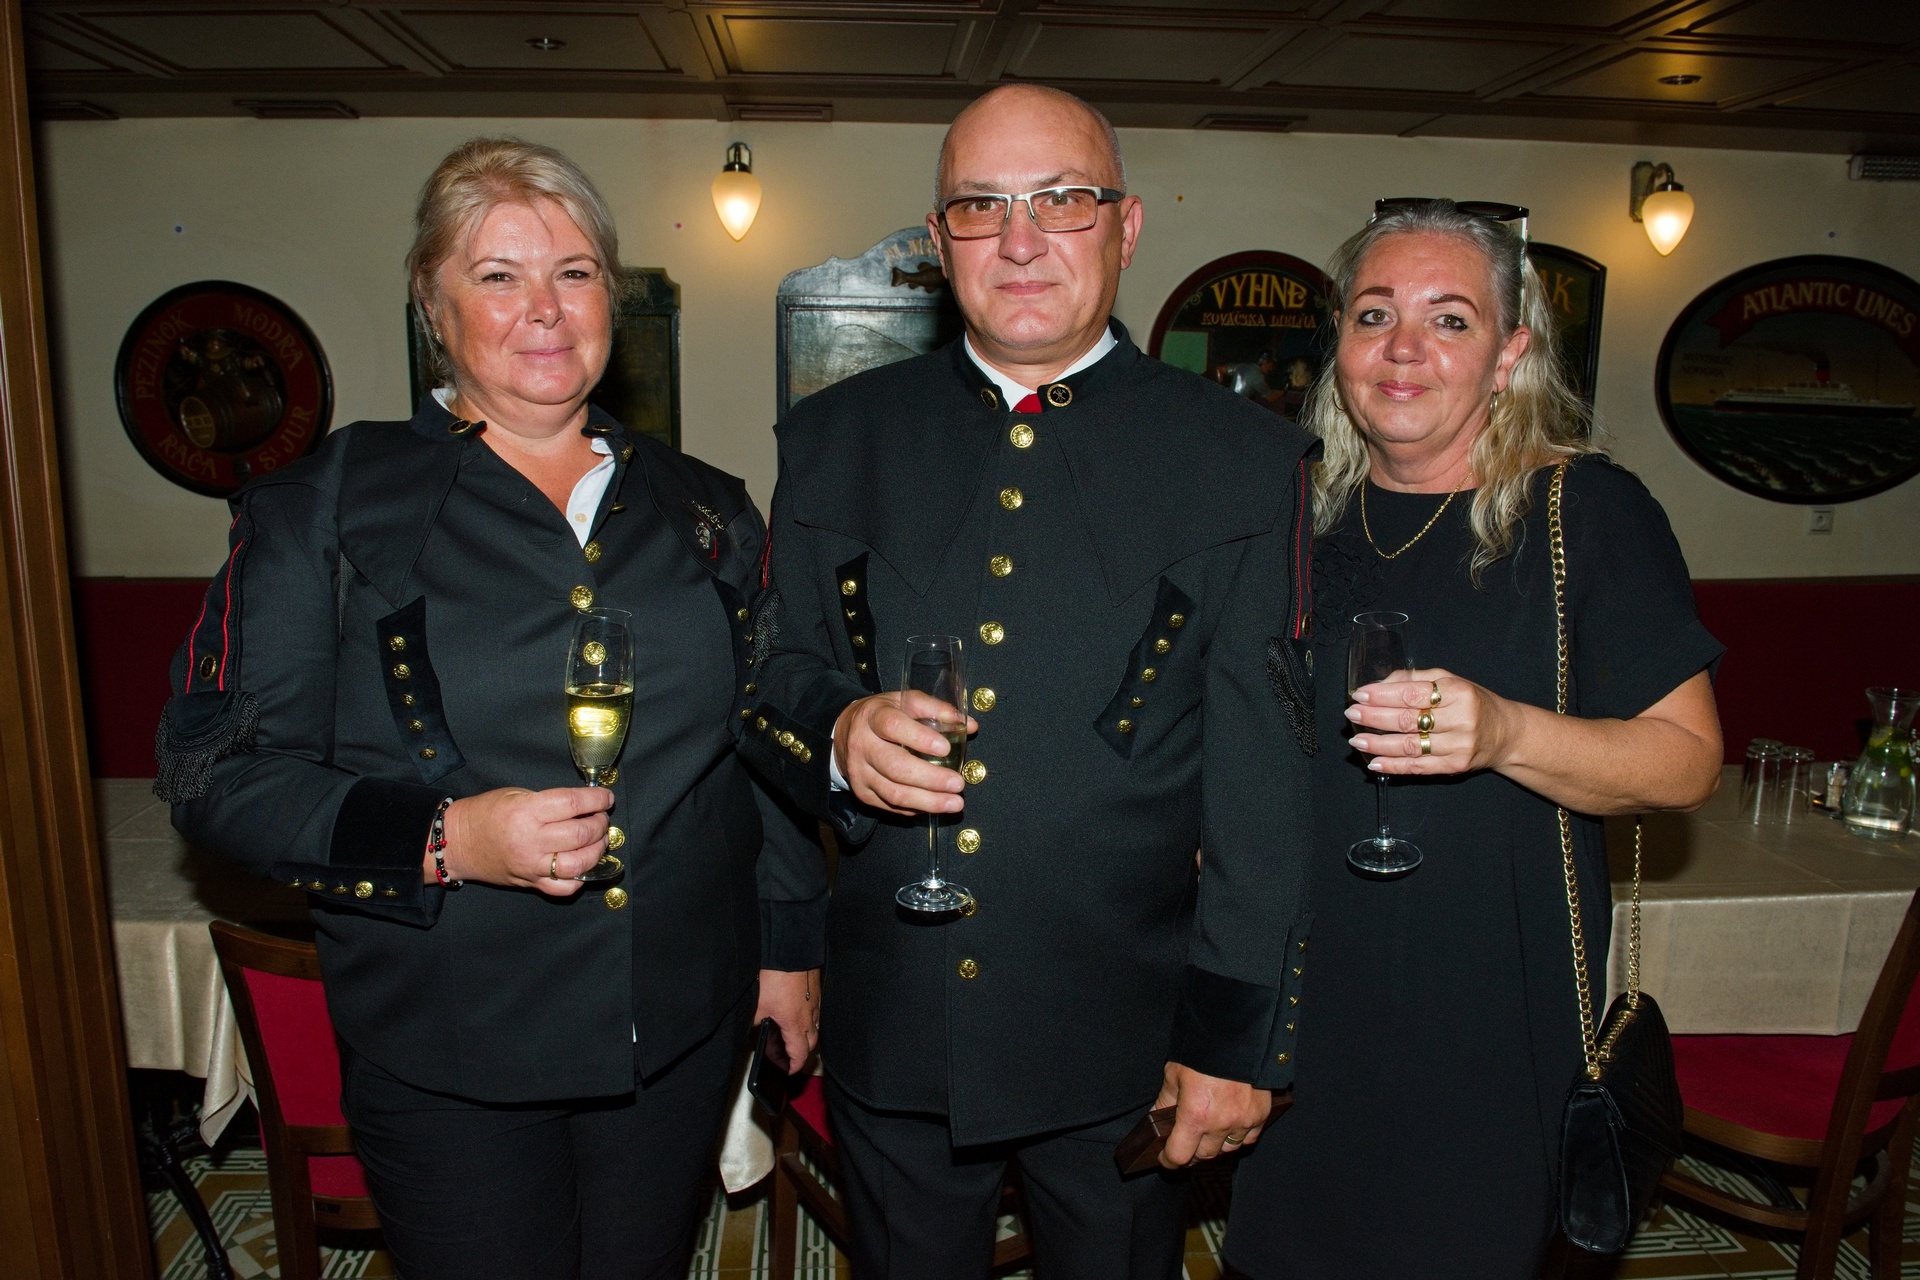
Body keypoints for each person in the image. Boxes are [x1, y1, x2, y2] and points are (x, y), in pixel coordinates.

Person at [156, 138, 825, 1280]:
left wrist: (788, 949)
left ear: (610, 298)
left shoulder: (707, 505)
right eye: (498, 275)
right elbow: (215, 772)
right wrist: (447, 837)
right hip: (451, 1040)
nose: (544, 309)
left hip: (681, 1025)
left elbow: (755, 741)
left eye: (574, 272)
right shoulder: (324, 502)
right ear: (434, 304)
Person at [738, 85, 1317, 1280]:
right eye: (980, 206)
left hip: (1124, 1036)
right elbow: (773, 682)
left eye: (1062, 201)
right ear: (937, 238)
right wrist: (791, 918)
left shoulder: (1245, 459)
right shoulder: (836, 437)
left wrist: (1235, 1036)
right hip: (892, 1014)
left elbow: (1263, 787)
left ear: (1127, 226)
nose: (1018, 239)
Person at [1224, 199, 1724, 1277]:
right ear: (1340, 344)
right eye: (1374, 314)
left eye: (1450, 319)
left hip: (1492, 1007)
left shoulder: (1583, 511)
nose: (1404, 348)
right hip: (1312, 1000)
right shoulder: (1297, 515)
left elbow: (1686, 761)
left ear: (1510, 354)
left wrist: (1504, 730)